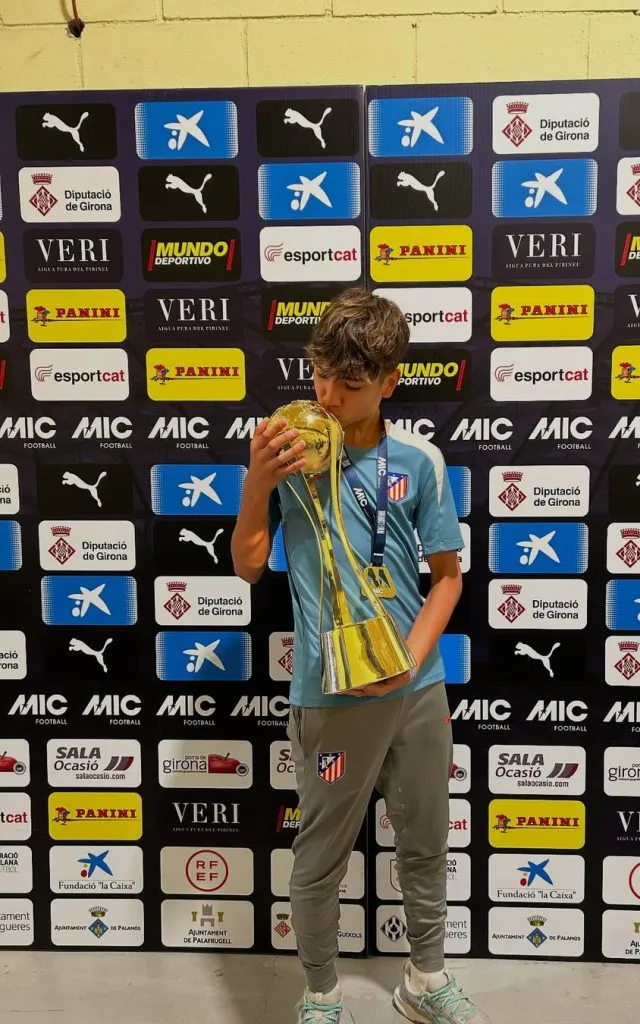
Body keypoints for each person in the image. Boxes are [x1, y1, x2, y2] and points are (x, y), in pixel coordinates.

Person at [231, 288, 491, 1024]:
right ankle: (320, 995)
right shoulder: (289, 449)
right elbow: (247, 567)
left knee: (425, 841)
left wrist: (407, 662)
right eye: (319, 375)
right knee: (320, 857)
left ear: (388, 382)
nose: (327, 395)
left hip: (416, 690)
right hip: (330, 694)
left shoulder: (419, 460)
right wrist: (257, 482)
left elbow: (448, 579)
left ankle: (425, 979)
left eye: (348, 382)